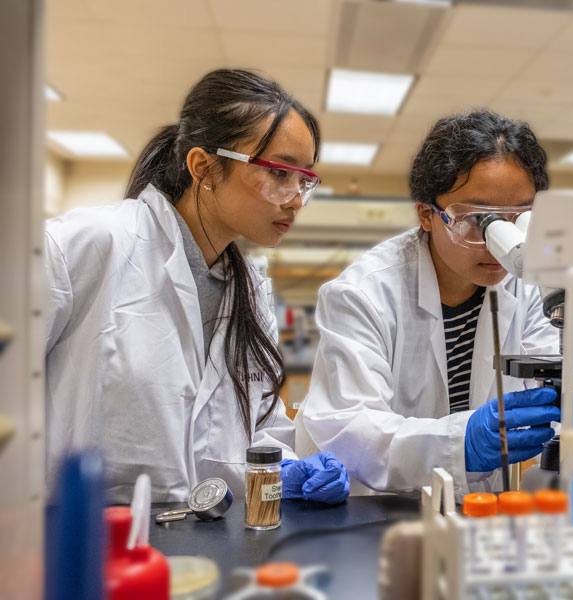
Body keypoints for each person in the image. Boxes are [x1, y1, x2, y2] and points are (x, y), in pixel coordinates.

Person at [45, 69, 350, 504]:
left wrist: (283, 466)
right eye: (280, 174)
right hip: (82, 545)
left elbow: (251, 428)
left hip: (204, 544)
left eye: (304, 180)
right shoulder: (85, 245)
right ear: (203, 167)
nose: (296, 198)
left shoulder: (249, 291)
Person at [302, 110, 560, 499]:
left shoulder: (528, 289)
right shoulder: (363, 293)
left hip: (480, 512)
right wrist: (462, 442)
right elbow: (350, 428)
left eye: (520, 218)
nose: (502, 244)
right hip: (378, 515)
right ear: (427, 214)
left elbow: (552, 382)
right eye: (479, 220)